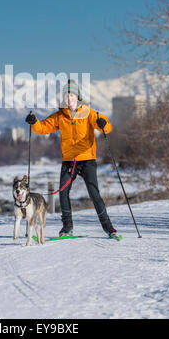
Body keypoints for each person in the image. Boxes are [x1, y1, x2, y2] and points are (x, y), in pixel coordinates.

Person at [25, 79, 117, 237]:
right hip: (69, 160)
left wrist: (103, 124)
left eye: (72, 95)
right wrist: (34, 123)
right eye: (66, 96)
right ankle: (67, 227)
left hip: (87, 159)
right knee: (63, 192)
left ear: (78, 97)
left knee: (94, 193)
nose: (69, 99)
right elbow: (43, 127)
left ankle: (109, 228)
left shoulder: (88, 112)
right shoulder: (60, 115)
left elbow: (106, 126)